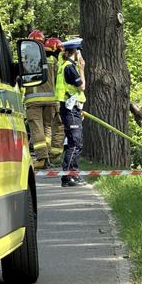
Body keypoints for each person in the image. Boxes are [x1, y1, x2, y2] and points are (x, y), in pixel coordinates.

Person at [24, 30, 56, 169]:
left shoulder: (28, 58)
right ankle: (47, 156)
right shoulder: (52, 59)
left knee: (37, 129)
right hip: (51, 100)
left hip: (34, 100)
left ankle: (42, 158)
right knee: (47, 127)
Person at [56, 44, 87, 187]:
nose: (80, 55)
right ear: (74, 53)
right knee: (75, 143)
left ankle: (72, 175)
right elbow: (82, 86)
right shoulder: (69, 67)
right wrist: (82, 68)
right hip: (70, 109)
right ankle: (69, 176)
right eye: (78, 52)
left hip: (72, 108)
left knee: (74, 142)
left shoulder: (65, 66)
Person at [45, 38, 66, 163]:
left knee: (46, 127)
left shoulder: (40, 61)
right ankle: (54, 156)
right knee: (58, 128)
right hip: (56, 100)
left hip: (42, 101)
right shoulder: (57, 64)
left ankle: (45, 154)